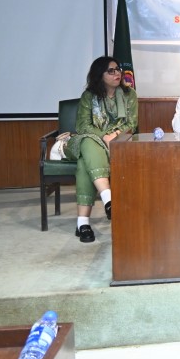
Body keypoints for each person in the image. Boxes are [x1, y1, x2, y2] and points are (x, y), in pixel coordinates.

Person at [63, 56, 138, 243]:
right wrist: (104, 136)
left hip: (118, 144)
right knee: (89, 141)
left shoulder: (129, 95)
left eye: (118, 69)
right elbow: (83, 126)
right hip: (88, 140)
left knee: (84, 163)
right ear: (100, 74)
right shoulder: (89, 96)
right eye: (111, 71)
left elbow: (132, 123)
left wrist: (116, 135)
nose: (117, 73)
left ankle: (83, 223)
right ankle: (109, 201)